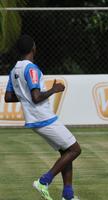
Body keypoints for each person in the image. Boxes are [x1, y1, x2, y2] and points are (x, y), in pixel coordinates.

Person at [4, 35, 81, 200]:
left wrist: (24, 95)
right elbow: (36, 97)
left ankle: (68, 195)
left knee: (66, 151)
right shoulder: (31, 69)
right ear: (33, 48)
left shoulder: (14, 70)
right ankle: (44, 181)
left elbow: (8, 97)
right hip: (43, 117)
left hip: (34, 119)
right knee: (75, 149)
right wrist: (55, 89)